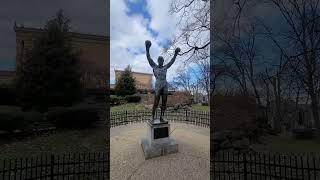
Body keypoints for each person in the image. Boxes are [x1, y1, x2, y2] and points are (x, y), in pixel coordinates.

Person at [145, 40, 180, 122]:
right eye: (159, 60)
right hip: (158, 85)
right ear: (158, 61)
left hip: (164, 85)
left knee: (164, 102)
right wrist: (147, 48)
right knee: (156, 102)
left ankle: (162, 117)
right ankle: (152, 117)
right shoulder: (154, 66)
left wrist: (175, 53)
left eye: (162, 60)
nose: (161, 61)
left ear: (163, 61)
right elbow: (149, 58)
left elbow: (172, 61)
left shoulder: (165, 67)